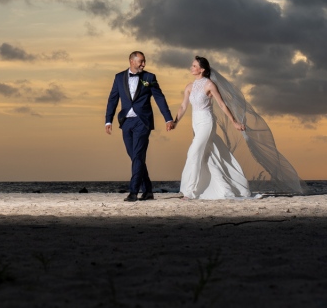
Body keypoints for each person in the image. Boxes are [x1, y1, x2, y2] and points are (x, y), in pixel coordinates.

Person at [174, 56, 252, 199]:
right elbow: (183, 106)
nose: (191, 68)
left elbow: (222, 105)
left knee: (193, 152)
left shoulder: (209, 85)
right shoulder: (189, 86)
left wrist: (234, 122)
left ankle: (189, 191)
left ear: (202, 69)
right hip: (196, 124)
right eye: (192, 65)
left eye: (194, 66)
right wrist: (175, 122)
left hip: (207, 122)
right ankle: (222, 187)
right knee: (207, 155)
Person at [105, 51, 175, 202]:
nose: (144, 64)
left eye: (144, 61)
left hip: (142, 121)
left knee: (137, 156)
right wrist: (108, 120)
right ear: (132, 61)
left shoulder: (149, 77)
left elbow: (159, 98)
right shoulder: (119, 77)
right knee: (135, 156)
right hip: (125, 122)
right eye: (141, 61)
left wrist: (168, 118)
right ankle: (148, 190)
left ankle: (133, 192)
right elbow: (113, 99)